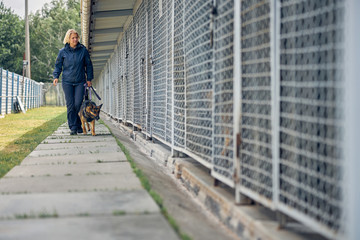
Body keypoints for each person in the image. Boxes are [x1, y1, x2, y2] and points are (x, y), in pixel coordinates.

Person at [53, 29, 93, 135]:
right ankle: (73, 127)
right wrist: (56, 76)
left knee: (78, 104)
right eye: (73, 38)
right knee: (70, 105)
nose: (75, 39)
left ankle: (78, 125)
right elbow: (58, 65)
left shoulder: (83, 50)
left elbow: (88, 65)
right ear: (68, 39)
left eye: (76, 37)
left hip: (80, 81)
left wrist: (89, 79)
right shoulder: (63, 52)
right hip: (67, 82)